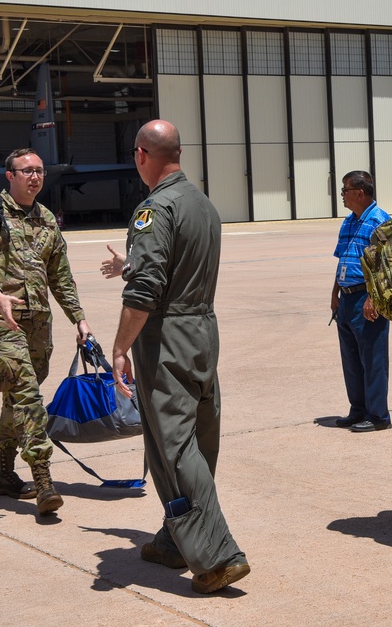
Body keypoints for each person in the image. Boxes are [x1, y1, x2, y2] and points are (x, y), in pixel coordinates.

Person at [110, 119, 250, 594]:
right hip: (203, 330)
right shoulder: (203, 205)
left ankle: (216, 557)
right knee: (200, 439)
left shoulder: (155, 209)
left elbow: (146, 289)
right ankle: (175, 540)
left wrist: (121, 346)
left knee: (173, 447)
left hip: (166, 334)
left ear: (142, 155)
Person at [0, 147, 91, 517]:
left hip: (39, 324)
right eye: (26, 171)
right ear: (10, 176)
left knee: (18, 398)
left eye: (39, 171)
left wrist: (79, 318)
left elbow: (60, 276)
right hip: (2, 321)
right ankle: (43, 477)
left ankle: (4, 473)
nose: (34, 177)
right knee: (28, 395)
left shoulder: (47, 219)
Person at [331, 170, 392, 432]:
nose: (342, 195)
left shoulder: (380, 221)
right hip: (346, 299)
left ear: (359, 193)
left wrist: (373, 299)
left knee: (373, 360)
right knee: (352, 361)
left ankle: (378, 416)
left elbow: (388, 267)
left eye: (344, 190)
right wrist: (334, 293)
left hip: (367, 300)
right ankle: (358, 410)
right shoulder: (348, 222)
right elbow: (343, 259)